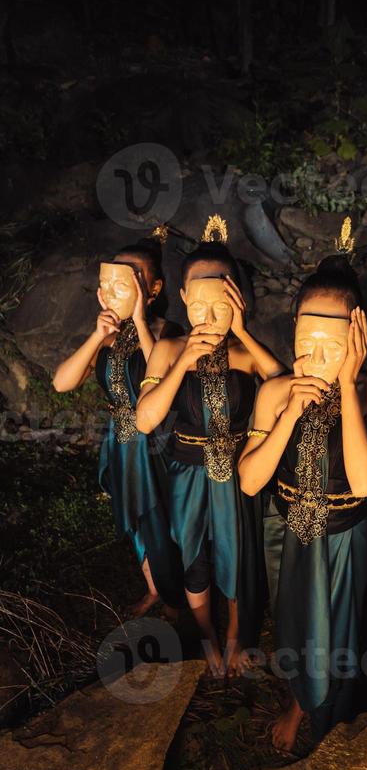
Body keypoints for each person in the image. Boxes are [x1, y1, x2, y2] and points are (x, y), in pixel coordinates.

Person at [239, 232, 367, 751]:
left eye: (333, 347)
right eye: (307, 346)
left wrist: (347, 385)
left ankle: (329, 720)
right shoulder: (274, 392)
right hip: (286, 531)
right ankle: (297, 699)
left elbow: (366, 479)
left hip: (342, 537)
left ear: (358, 339)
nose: (317, 359)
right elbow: (249, 479)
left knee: (337, 635)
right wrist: (286, 415)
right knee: (292, 627)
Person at [136, 216, 284, 677]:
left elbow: (282, 382)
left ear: (237, 299)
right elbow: (145, 419)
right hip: (187, 471)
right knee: (193, 557)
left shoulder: (244, 352)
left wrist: (240, 332)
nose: (207, 315)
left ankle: (238, 635)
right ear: (182, 297)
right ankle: (207, 637)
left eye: (220, 304)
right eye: (197, 304)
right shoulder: (169, 347)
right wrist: (183, 361)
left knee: (238, 554)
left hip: (238, 471)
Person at [52, 229, 185, 618]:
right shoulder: (107, 338)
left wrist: (142, 321)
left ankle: (179, 596)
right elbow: (62, 383)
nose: (113, 291)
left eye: (129, 282)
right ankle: (154, 588)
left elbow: (161, 375)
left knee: (161, 514)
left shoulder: (167, 333)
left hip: (156, 439)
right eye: (107, 284)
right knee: (135, 517)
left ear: (154, 288)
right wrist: (97, 336)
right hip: (120, 439)